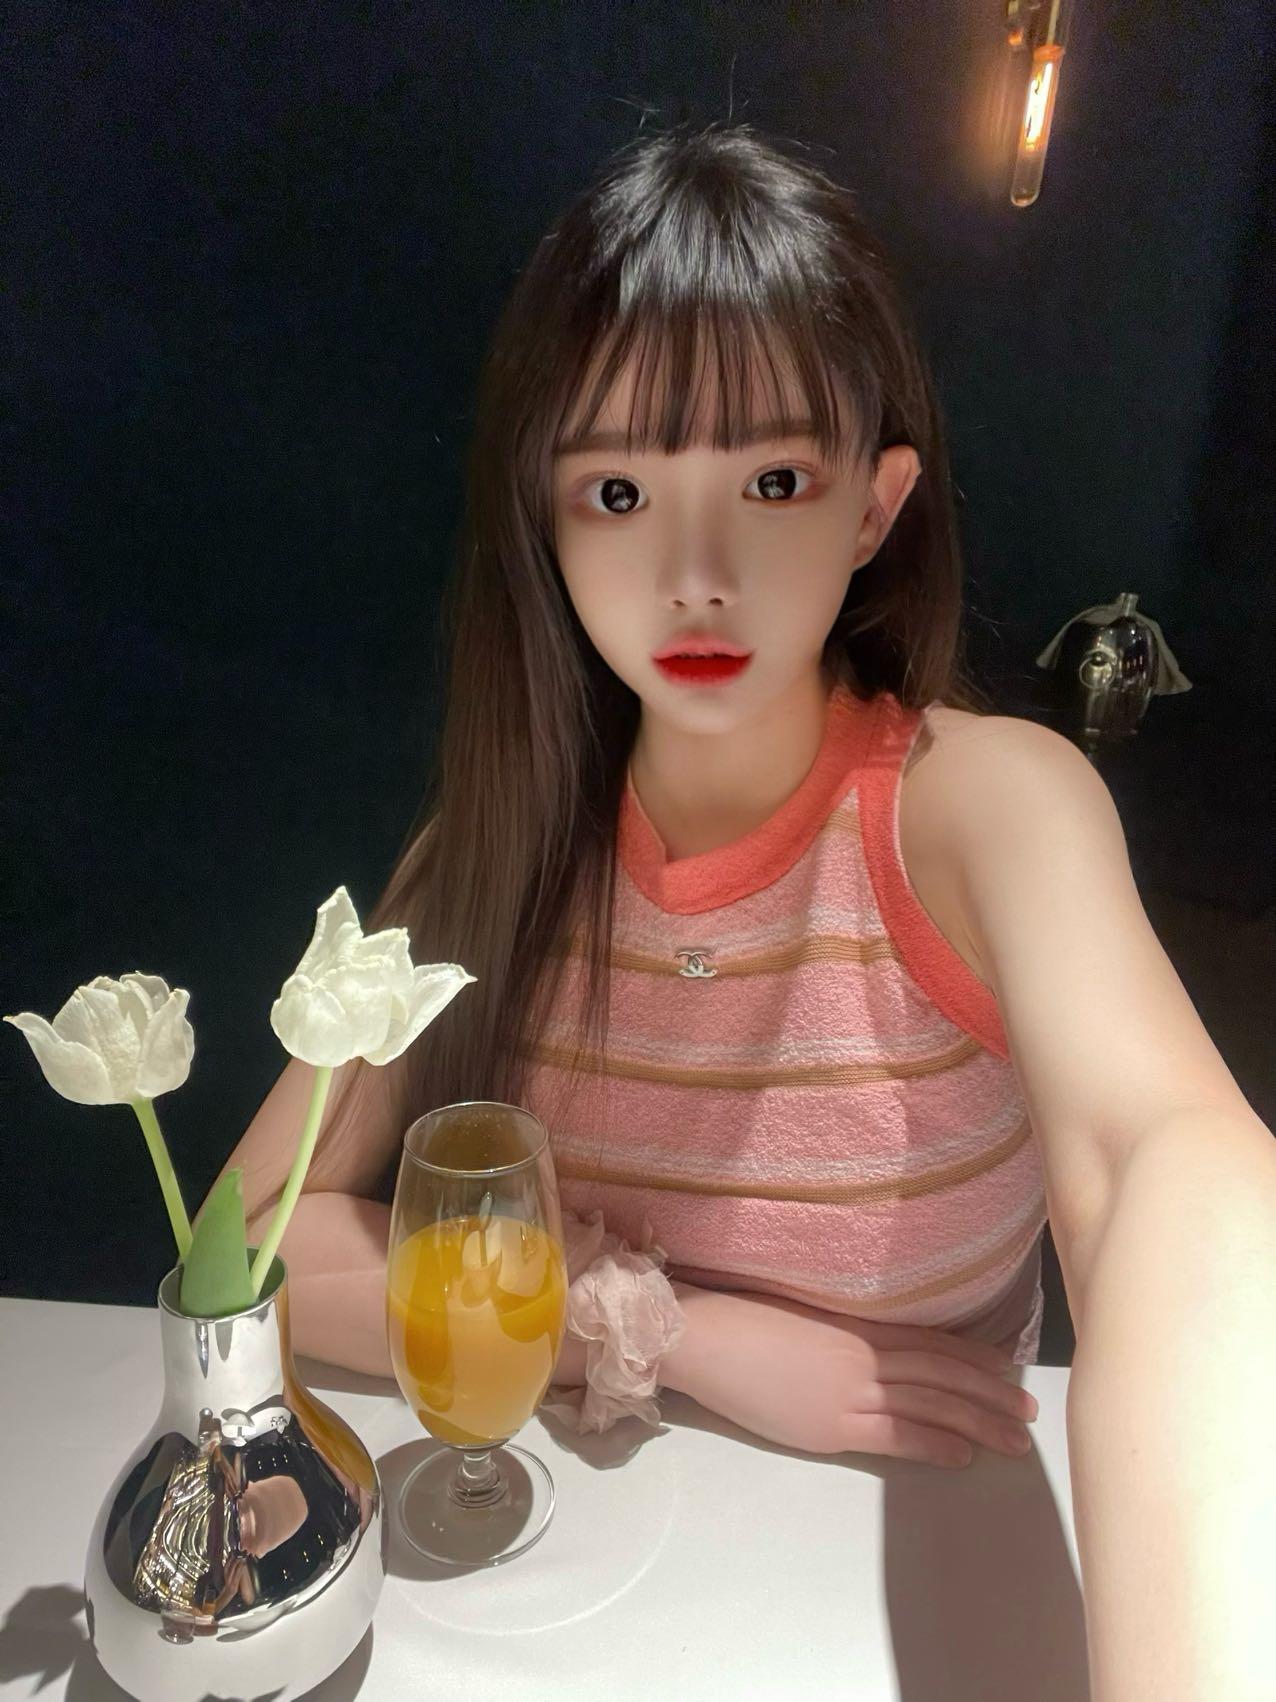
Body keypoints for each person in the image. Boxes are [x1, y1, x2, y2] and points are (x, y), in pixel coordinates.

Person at [217, 120, 1228, 1474]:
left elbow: (1165, 1163)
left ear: (873, 508)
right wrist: (665, 1333)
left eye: (773, 481)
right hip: (562, 1539)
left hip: (887, 1552)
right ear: (546, 520)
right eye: (618, 491)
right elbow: (244, 1249)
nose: (696, 574)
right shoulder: (492, 852)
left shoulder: (981, 812)